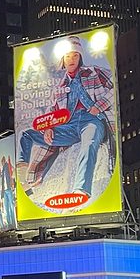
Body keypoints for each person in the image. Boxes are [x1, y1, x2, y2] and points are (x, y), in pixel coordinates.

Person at [17, 36, 115, 198]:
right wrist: (48, 126)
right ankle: (22, 174)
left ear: (80, 57)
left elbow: (115, 86)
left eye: (75, 55)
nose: (71, 59)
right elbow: (53, 108)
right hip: (68, 126)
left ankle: (81, 190)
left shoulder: (94, 71)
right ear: (63, 59)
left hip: (92, 120)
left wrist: (99, 107)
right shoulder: (61, 85)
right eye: (68, 56)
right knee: (27, 134)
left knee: (89, 143)